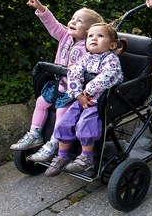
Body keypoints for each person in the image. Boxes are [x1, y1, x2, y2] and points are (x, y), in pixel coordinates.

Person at [10, 0, 104, 163]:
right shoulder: (64, 36)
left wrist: (77, 68)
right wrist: (40, 8)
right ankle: (35, 134)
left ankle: (54, 142)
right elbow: (52, 24)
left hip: (73, 90)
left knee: (62, 111)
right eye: (73, 18)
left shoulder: (91, 47)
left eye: (79, 21)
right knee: (40, 102)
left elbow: (95, 64)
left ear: (90, 31)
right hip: (57, 84)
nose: (72, 22)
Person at [44, 22, 126, 176]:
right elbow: (73, 73)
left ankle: (86, 157)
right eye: (90, 36)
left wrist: (88, 90)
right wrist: (78, 94)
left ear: (112, 45)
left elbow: (108, 76)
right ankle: (62, 156)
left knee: (86, 123)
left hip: (101, 101)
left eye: (100, 36)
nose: (94, 39)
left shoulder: (111, 59)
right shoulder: (85, 58)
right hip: (82, 99)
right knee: (66, 121)